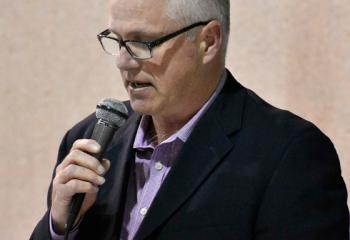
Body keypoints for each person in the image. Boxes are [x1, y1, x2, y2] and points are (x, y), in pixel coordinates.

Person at [31, 0, 349, 239]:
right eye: (116, 40)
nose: (123, 61)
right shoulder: (89, 139)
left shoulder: (288, 155)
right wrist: (58, 226)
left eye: (143, 42)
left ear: (208, 41)